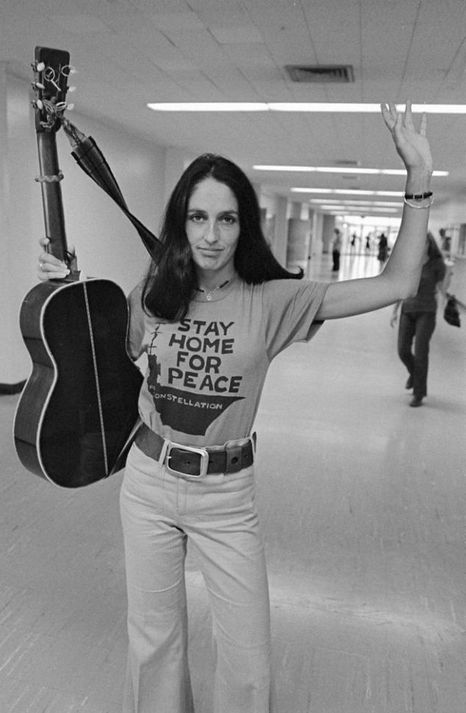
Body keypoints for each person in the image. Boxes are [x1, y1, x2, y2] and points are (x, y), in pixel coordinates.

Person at [37, 101, 432, 713]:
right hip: (147, 482)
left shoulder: (274, 300)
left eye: (226, 219)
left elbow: (398, 284)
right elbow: (108, 362)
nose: (211, 235)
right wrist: (62, 283)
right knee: (154, 643)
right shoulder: (155, 289)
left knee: (247, 661)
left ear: (244, 225)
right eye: (198, 217)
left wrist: (418, 180)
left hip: (225, 496)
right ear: (181, 222)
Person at [391, 232, 446, 407]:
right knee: (402, 350)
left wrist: (446, 306)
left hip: (427, 311)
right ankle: (415, 374)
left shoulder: (437, 264)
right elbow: (402, 287)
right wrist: (394, 310)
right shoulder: (409, 263)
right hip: (408, 309)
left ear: (429, 244)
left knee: (421, 352)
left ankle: (419, 394)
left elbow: (442, 289)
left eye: (422, 243)